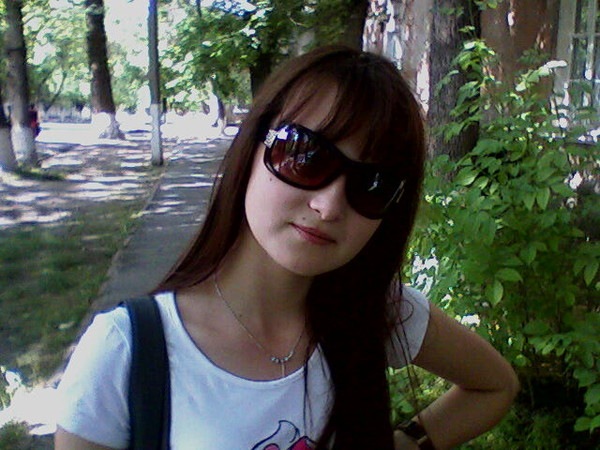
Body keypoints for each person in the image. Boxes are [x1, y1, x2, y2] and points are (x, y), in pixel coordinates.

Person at [54, 45, 519, 450]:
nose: (329, 206)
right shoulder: (125, 351)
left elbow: (495, 386)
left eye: (372, 185)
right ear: (251, 148)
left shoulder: (379, 311)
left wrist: (403, 442)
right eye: (305, 155)